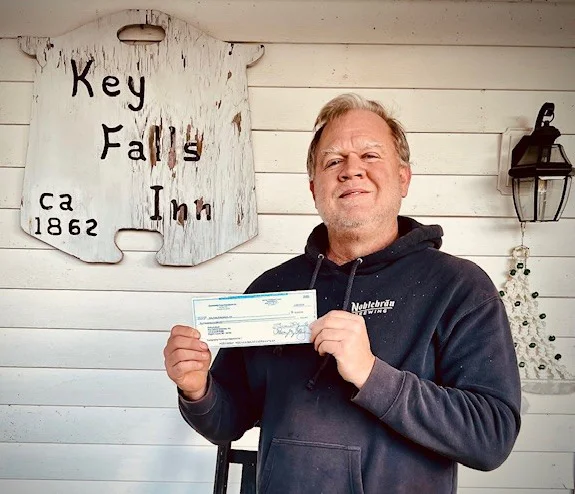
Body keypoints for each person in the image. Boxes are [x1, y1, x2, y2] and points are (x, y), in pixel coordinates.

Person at [164, 93, 521, 493]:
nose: (352, 171)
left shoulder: (459, 286)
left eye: (370, 156)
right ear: (315, 187)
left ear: (403, 178)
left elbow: (492, 437)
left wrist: (372, 375)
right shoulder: (271, 288)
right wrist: (198, 389)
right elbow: (228, 421)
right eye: (333, 161)